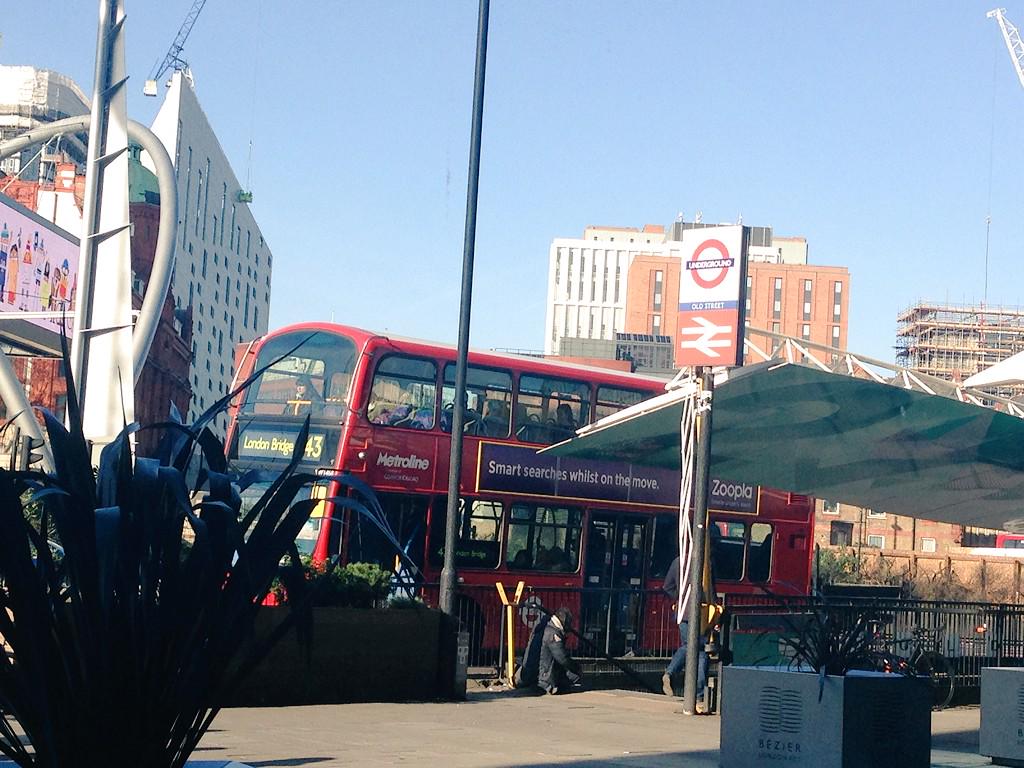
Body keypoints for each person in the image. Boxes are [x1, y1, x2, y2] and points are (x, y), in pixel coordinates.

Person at [662, 555, 708, 707]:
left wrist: (680, 598)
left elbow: (667, 586)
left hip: (682, 612)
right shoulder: (705, 560)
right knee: (700, 651)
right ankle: (699, 695)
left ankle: (669, 673)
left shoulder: (678, 561)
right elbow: (710, 590)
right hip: (700, 613)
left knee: (689, 645)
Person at [538, 607, 583, 695]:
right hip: (546, 677)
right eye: (569, 622)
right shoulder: (553, 633)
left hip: (544, 672)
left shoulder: (549, 629)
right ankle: (551, 685)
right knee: (573, 674)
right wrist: (576, 668)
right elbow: (562, 657)